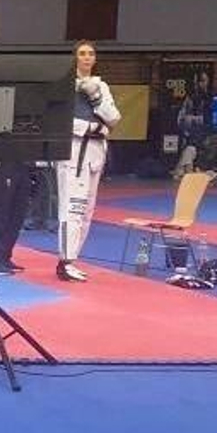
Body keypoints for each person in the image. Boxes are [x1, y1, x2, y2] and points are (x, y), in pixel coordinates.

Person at [57, 40, 121, 282]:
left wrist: (95, 98)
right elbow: (59, 119)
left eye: (90, 53)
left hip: (96, 152)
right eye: (82, 53)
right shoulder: (64, 86)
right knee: (72, 208)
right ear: (75, 57)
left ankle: (73, 259)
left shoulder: (101, 86)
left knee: (87, 212)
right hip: (74, 151)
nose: (86, 57)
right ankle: (65, 260)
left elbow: (114, 119)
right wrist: (90, 126)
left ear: (95, 58)